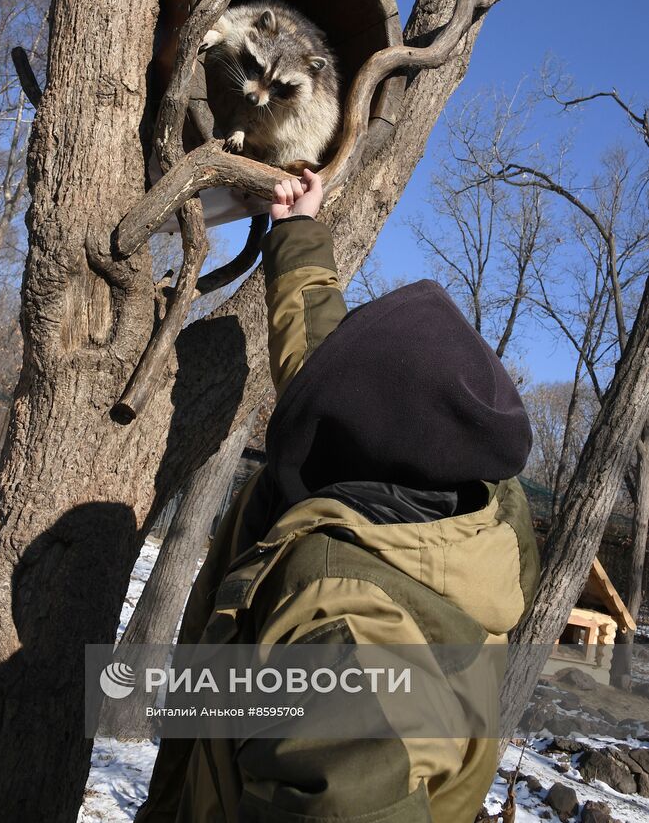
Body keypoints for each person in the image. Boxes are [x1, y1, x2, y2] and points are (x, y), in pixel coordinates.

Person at [135, 169, 540, 823]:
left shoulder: (346, 621)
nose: (315, 382)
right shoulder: (444, 483)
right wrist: (297, 231)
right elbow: (319, 352)